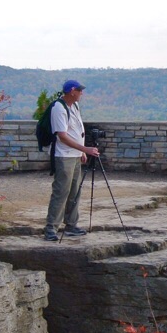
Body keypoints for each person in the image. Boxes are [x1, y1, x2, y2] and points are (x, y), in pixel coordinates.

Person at [43, 80, 99, 241]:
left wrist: (81, 151)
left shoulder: (74, 106)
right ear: (72, 91)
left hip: (74, 155)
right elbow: (62, 136)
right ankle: (51, 228)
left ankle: (71, 224)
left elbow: (76, 130)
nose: (82, 93)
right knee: (61, 191)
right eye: (80, 90)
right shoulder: (59, 108)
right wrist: (85, 149)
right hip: (64, 156)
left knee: (75, 190)